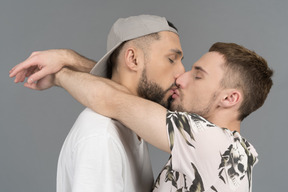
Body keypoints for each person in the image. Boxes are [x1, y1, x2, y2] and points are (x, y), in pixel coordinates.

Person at [10, 42, 273, 191]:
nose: (181, 78)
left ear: (229, 99)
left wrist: (58, 74)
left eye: (198, 75)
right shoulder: (229, 149)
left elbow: (114, 100)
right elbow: (134, 89)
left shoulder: (212, 142)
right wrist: (68, 57)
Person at [10, 14, 185, 192]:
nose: (182, 73)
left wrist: (67, 59)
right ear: (133, 59)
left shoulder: (134, 124)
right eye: (171, 59)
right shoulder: (102, 136)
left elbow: (116, 81)